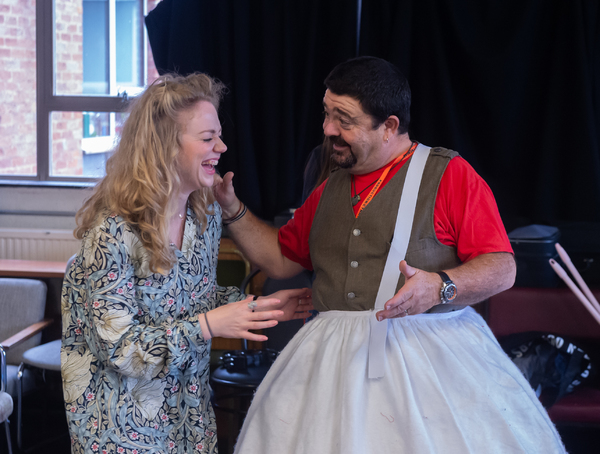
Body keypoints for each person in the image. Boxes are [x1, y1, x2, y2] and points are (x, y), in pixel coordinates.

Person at [213, 57, 566, 453]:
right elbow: (281, 259)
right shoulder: (328, 188)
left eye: (344, 119)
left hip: (431, 361)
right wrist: (231, 209)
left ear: (390, 126)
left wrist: (440, 286)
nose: (329, 129)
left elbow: (502, 267)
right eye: (327, 113)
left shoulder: (448, 174)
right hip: (329, 363)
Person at [60, 73, 312, 454]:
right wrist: (211, 324)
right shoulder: (112, 231)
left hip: (187, 414)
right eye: (208, 138)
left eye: (219, 136)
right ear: (164, 147)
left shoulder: (203, 215)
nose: (222, 147)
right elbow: (123, 350)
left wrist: (261, 309)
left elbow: (193, 301)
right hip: (119, 424)